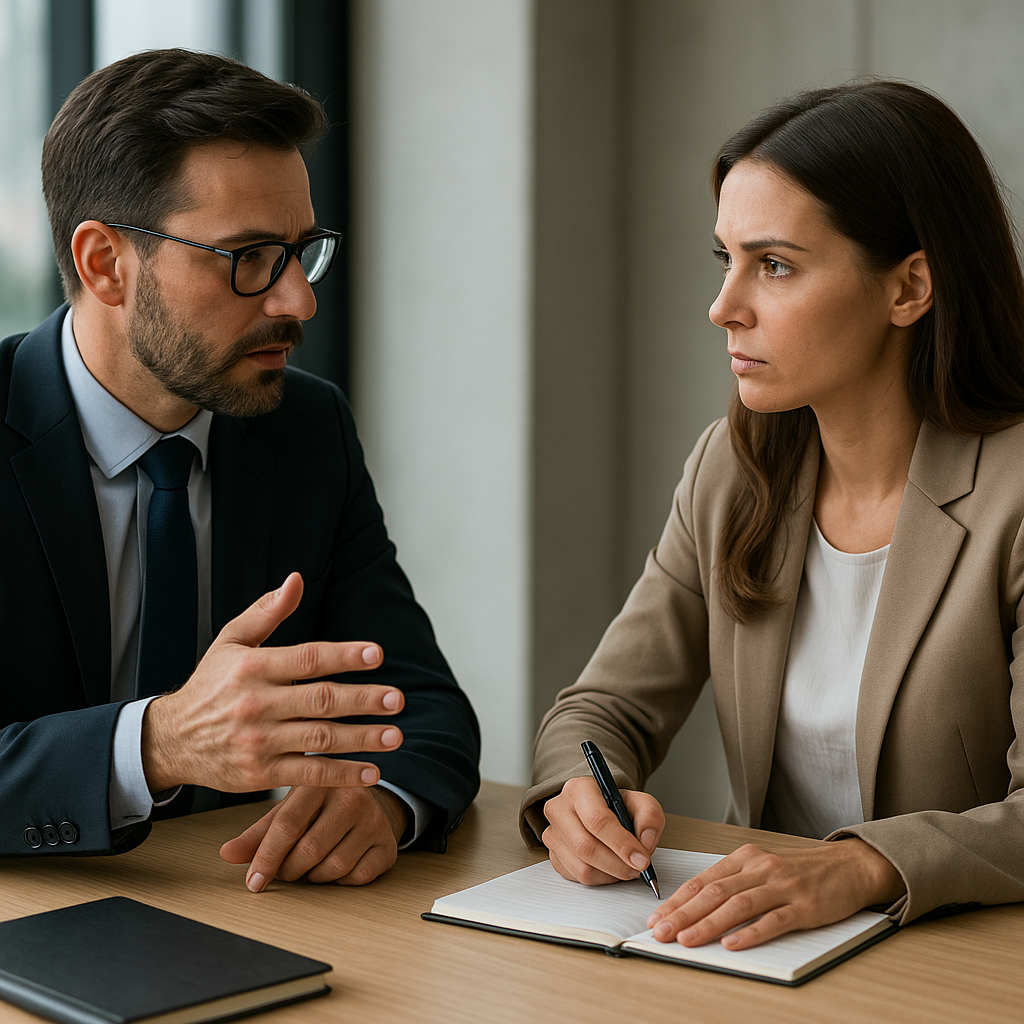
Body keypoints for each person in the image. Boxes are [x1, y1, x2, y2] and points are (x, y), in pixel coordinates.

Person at [522, 80, 1024, 951]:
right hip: (759, 956)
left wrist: (864, 866)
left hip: (963, 962)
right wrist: (579, 795)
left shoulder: (1013, 491)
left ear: (909, 287)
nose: (725, 307)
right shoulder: (734, 466)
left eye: (776, 265)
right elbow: (601, 709)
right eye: (726, 259)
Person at [0, 48, 480, 890]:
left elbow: (423, 708)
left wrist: (383, 804)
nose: (299, 301)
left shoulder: (306, 427)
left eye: (301, 251)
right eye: (248, 256)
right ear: (104, 263)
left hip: (246, 915)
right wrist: (157, 744)